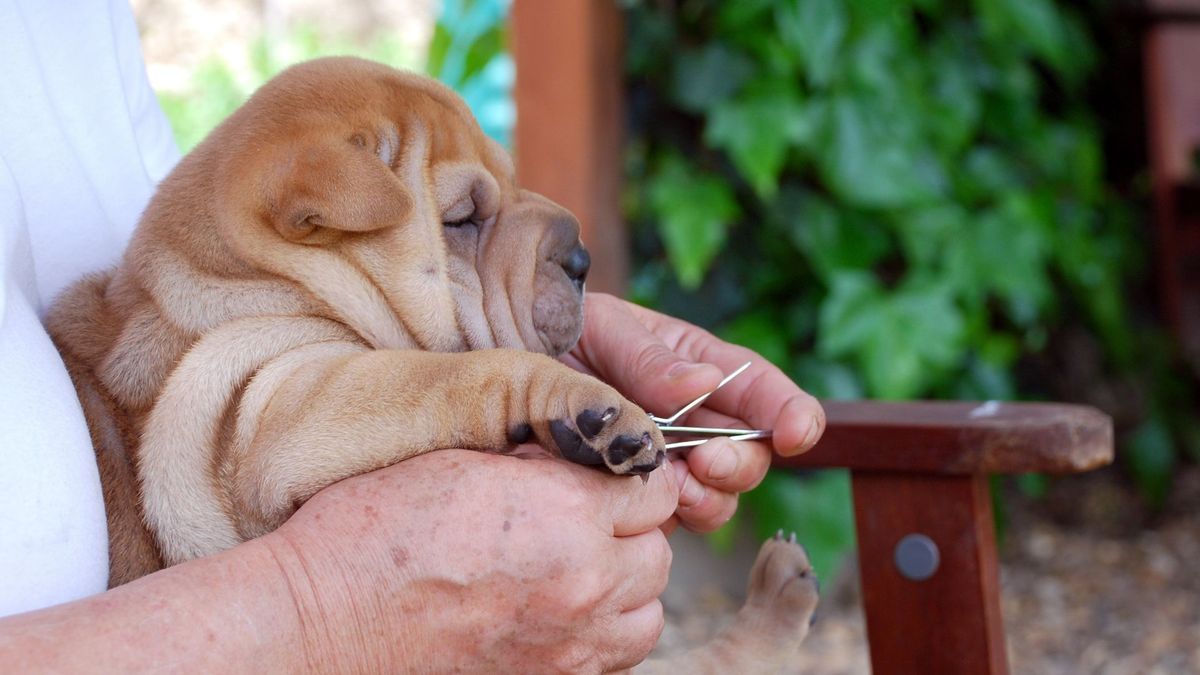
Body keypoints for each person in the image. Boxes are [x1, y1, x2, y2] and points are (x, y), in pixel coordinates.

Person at [0, 0, 825, 671]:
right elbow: (298, 415)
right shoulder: (246, 377)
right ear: (315, 213)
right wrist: (523, 389)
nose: (561, 247)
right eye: (467, 216)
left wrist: (534, 335)